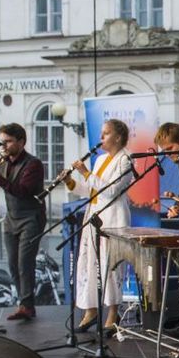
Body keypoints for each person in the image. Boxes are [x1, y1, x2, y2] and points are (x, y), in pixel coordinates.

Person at [0, 122, 45, 321]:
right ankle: (23, 302)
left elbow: (22, 191)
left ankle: (27, 306)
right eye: (2, 141)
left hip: (31, 217)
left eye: (8, 142)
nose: (3, 146)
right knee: (13, 264)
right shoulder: (3, 161)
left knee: (25, 263)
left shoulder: (33, 164)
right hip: (11, 219)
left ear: (21, 142)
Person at [72, 119, 133, 334]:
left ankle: (112, 312)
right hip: (94, 216)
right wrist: (71, 183)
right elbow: (92, 191)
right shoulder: (100, 160)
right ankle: (91, 310)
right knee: (90, 265)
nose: (101, 138)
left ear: (117, 137)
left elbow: (110, 190)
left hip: (113, 220)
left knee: (110, 266)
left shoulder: (125, 160)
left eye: (106, 133)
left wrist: (86, 173)